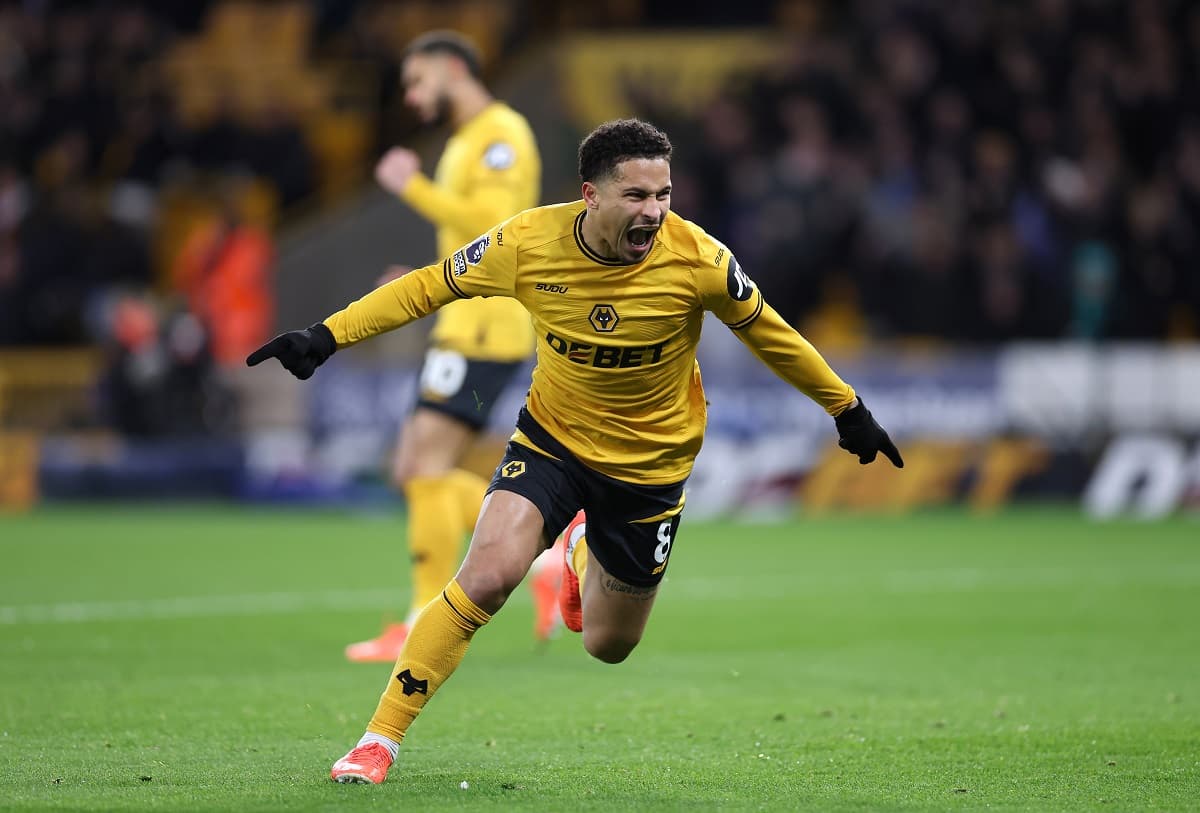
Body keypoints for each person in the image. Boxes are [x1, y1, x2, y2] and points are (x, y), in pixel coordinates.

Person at [246, 118, 904, 785]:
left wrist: (847, 409)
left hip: (650, 470)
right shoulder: (528, 242)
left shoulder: (699, 259)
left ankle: (582, 548)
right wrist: (326, 336)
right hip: (552, 443)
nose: (654, 211)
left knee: (608, 644)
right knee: (487, 577)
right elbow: (428, 286)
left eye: (663, 194)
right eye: (637, 195)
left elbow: (771, 333)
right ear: (591, 195)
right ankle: (378, 740)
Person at [343, 31, 553, 663]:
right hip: (464, 323)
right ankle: (549, 557)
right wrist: (425, 277)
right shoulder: (466, 141)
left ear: (453, 68)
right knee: (414, 469)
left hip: (487, 327)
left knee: (424, 468)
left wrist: (412, 186)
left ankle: (420, 623)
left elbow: (493, 229)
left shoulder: (500, 134)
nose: (410, 96)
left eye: (417, 80)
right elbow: (471, 245)